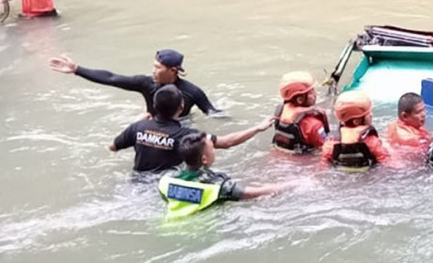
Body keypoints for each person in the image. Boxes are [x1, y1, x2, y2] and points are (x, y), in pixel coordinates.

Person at [109, 85, 272, 172]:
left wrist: (135, 123)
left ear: (154, 105)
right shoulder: (185, 135)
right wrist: (257, 128)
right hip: (164, 184)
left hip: (137, 183)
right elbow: (226, 142)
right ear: (181, 108)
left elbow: (113, 147)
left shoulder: (138, 127)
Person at [49, 50, 220, 122]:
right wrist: (77, 69)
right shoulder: (146, 83)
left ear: (173, 70)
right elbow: (111, 78)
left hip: (180, 127)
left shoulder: (192, 92)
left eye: (158, 67)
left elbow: (213, 113)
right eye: (153, 66)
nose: (153, 71)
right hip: (153, 126)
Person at [159, 132, 292, 218]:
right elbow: (253, 194)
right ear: (204, 159)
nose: (214, 151)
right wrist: (291, 185)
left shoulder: (167, 180)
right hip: (200, 232)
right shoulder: (216, 186)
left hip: (170, 226)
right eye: (212, 148)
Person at [321, 90, 389, 171]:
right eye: (368, 113)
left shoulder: (331, 143)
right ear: (356, 121)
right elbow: (387, 163)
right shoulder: (372, 142)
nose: (371, 115)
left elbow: (323, 165)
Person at [272, 71, 329, 153]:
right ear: (300, 99)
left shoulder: (280, 112)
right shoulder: (314, 125)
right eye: (312, 91)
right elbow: (325, 150)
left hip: (277, 153)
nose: (315, 94)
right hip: (303, 158)